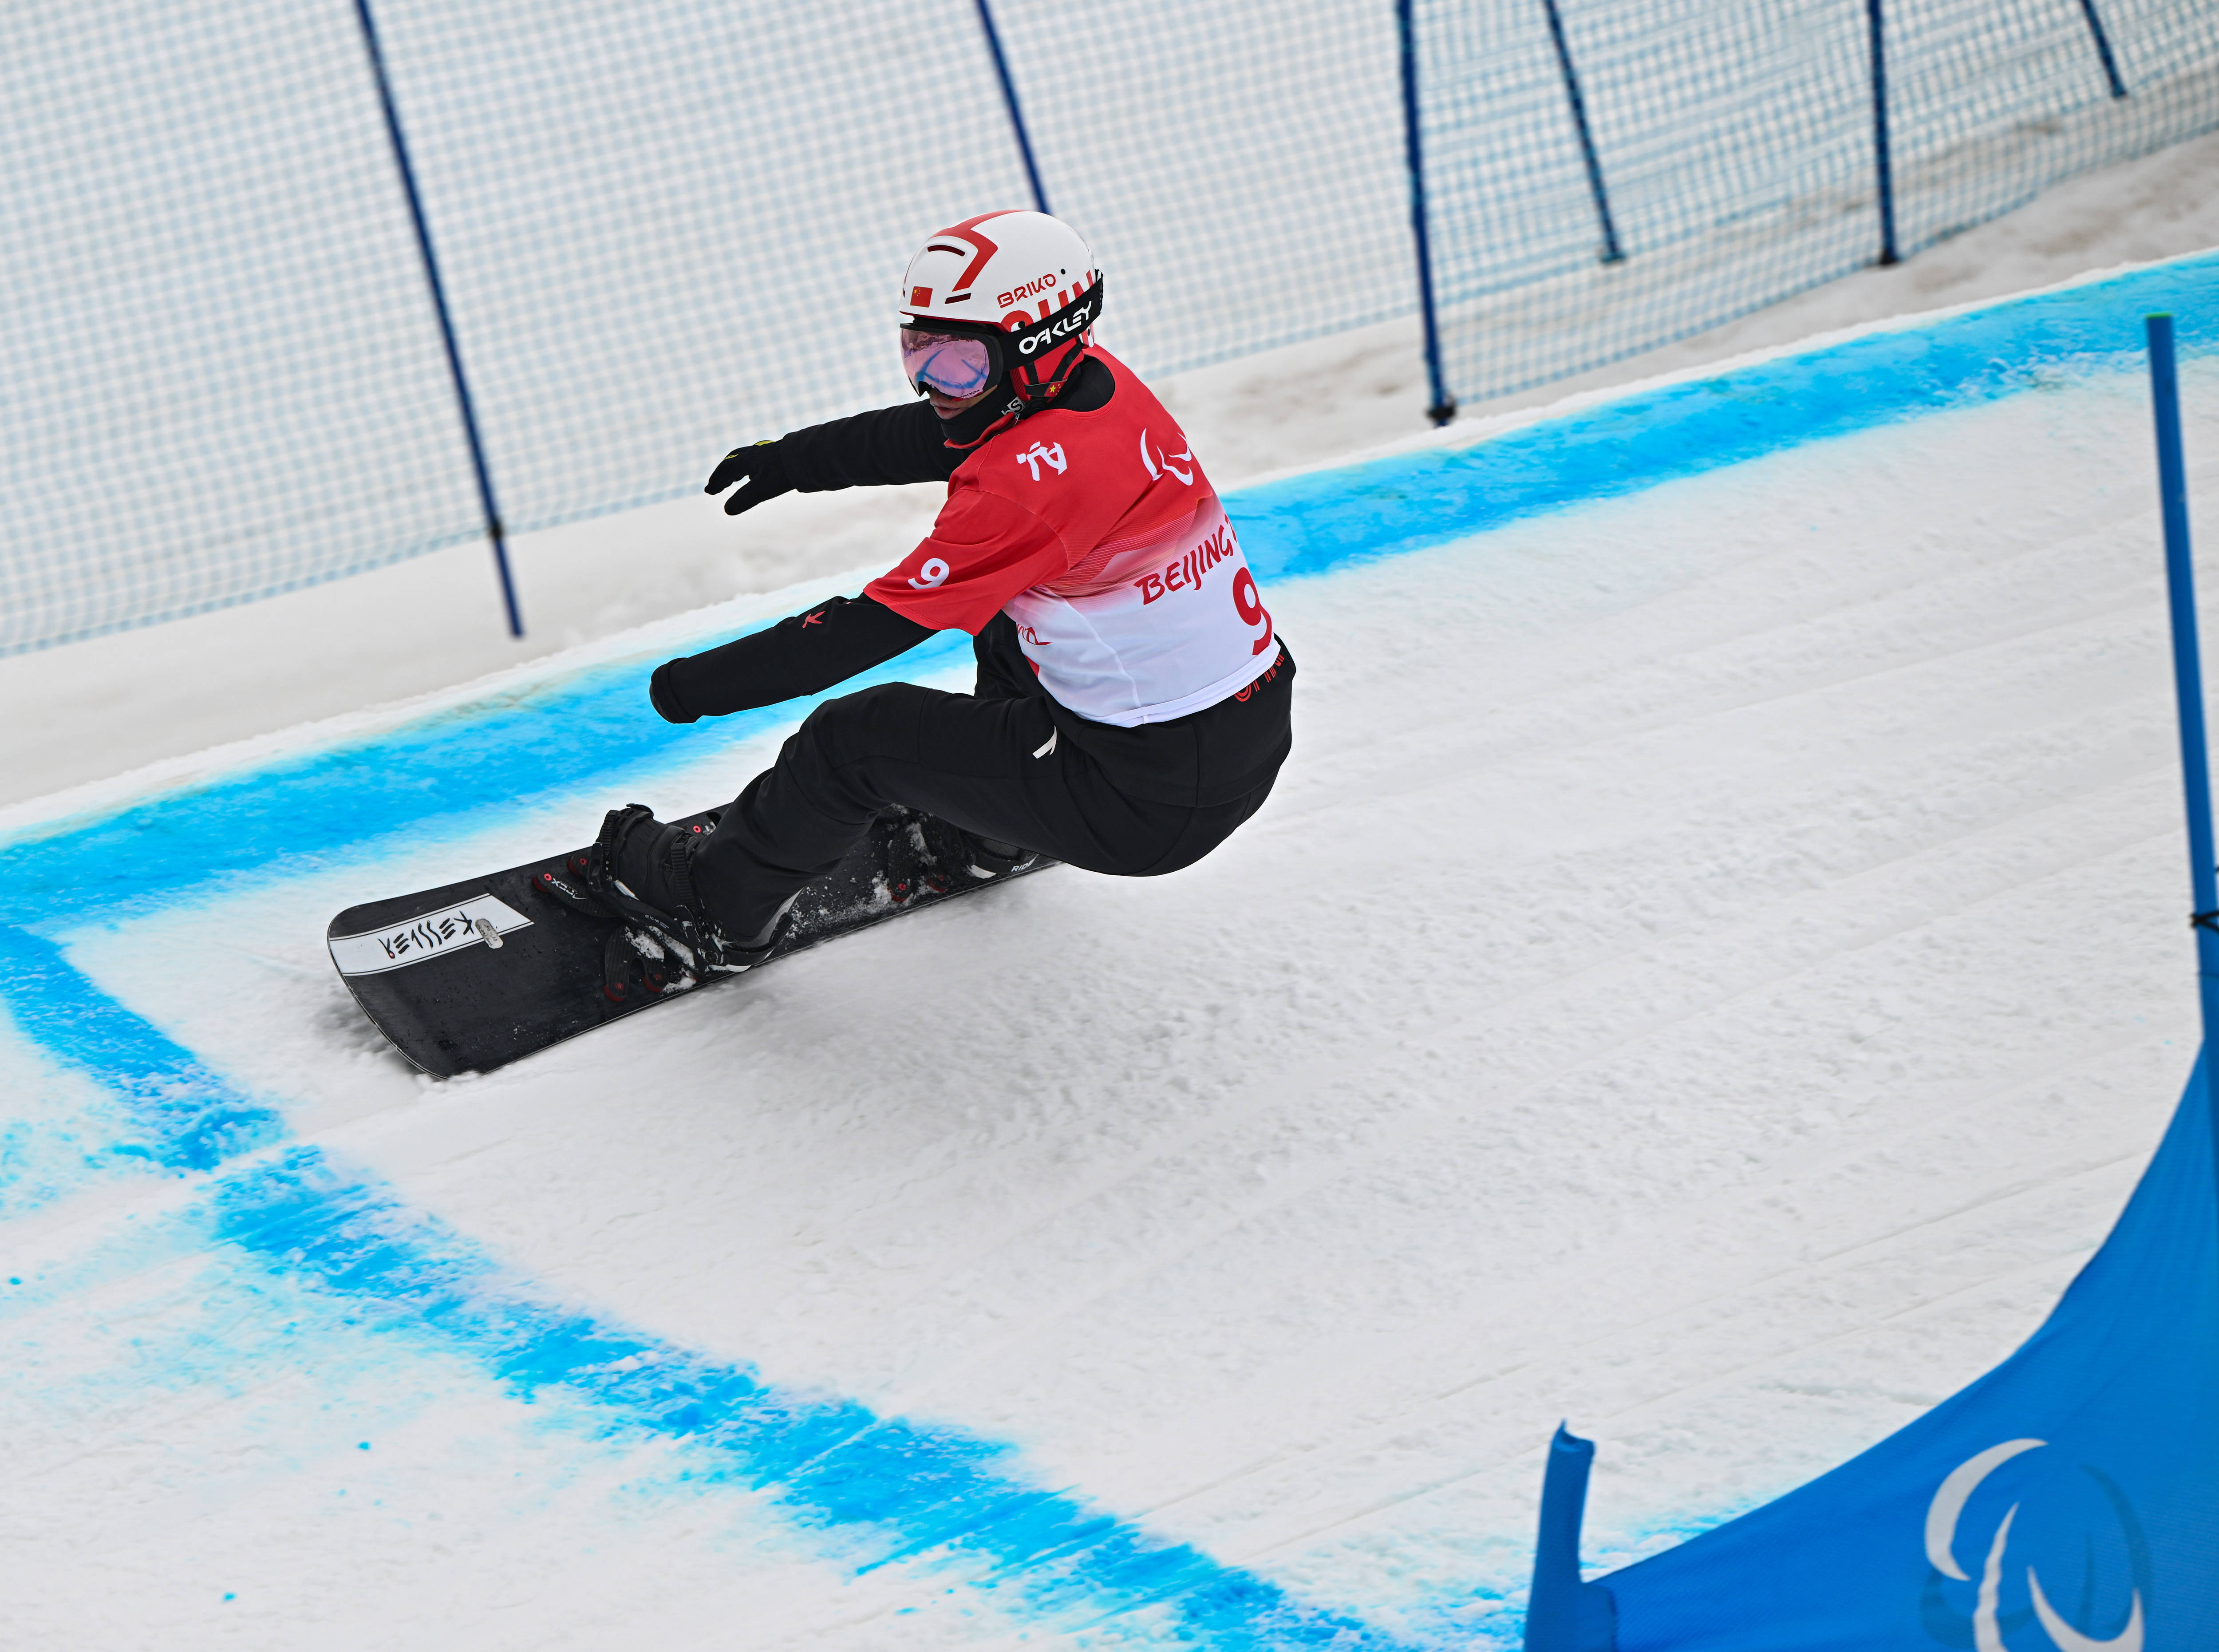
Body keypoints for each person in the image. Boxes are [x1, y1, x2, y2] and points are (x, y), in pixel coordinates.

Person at [571, 209, 1293, 973]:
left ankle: (716, 905)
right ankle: (989, 834)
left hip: (1144, 803)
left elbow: (855, 635)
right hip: (1230, 731)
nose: (932, 386)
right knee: (1012, 614)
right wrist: (796, 460)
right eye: (917, 352)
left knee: (852, 742)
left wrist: (686, 687)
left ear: (1035, 349)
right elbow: (939, 432)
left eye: (957, 367)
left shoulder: (1026, 489)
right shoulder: (1096, 387)